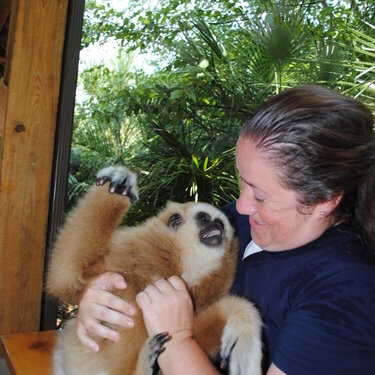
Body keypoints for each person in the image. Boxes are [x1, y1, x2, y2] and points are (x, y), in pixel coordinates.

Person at [74, 85, 375, 374]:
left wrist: (175, 339)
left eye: (259, 195)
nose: (241, 205)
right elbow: (136, 265)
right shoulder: (238, 223)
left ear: (323, 200)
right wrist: (97, 298)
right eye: (242, 180)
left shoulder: (346, 294)